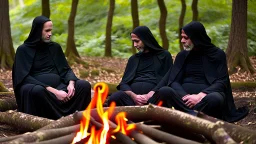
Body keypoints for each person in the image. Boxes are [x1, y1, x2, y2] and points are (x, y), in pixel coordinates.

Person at [153, 21, 248, 122]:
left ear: (196, 38)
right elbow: (174, 81)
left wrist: (200, 96)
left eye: (186, 38)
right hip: (184, 101)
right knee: (164, 91)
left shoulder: (217, 54)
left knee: (215, 98)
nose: (182, 41)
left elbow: (221, 81)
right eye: (182, 37)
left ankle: (187, 118)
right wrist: (185, 96)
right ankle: (192, 116)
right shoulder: (182, 56)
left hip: (205, 99)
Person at [12, 16, 91, 120]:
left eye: (51, 30)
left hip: (60, 86)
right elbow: (24, 77)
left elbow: (65, 69)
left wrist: (71, 84)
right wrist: (55, 92)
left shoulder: (55, 47)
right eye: (47, 30)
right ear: (38, 31)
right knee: (37, 91)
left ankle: (78, 119)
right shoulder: (23, 50)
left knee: (84, 85)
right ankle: (47, 121)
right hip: (39, 88)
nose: (50, 34)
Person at [108, 26, 173, 106]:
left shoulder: (164, 55)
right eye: (133, 42)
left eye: (137, 41)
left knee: (165, 92)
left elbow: (168, 78)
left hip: (154, 98)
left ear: (146, 39)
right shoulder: (133, 59)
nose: (135, 45)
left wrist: (151, 93)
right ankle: (131, 115)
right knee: (115, 97)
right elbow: (124, 83)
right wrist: (134, 96)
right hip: (132, 101)